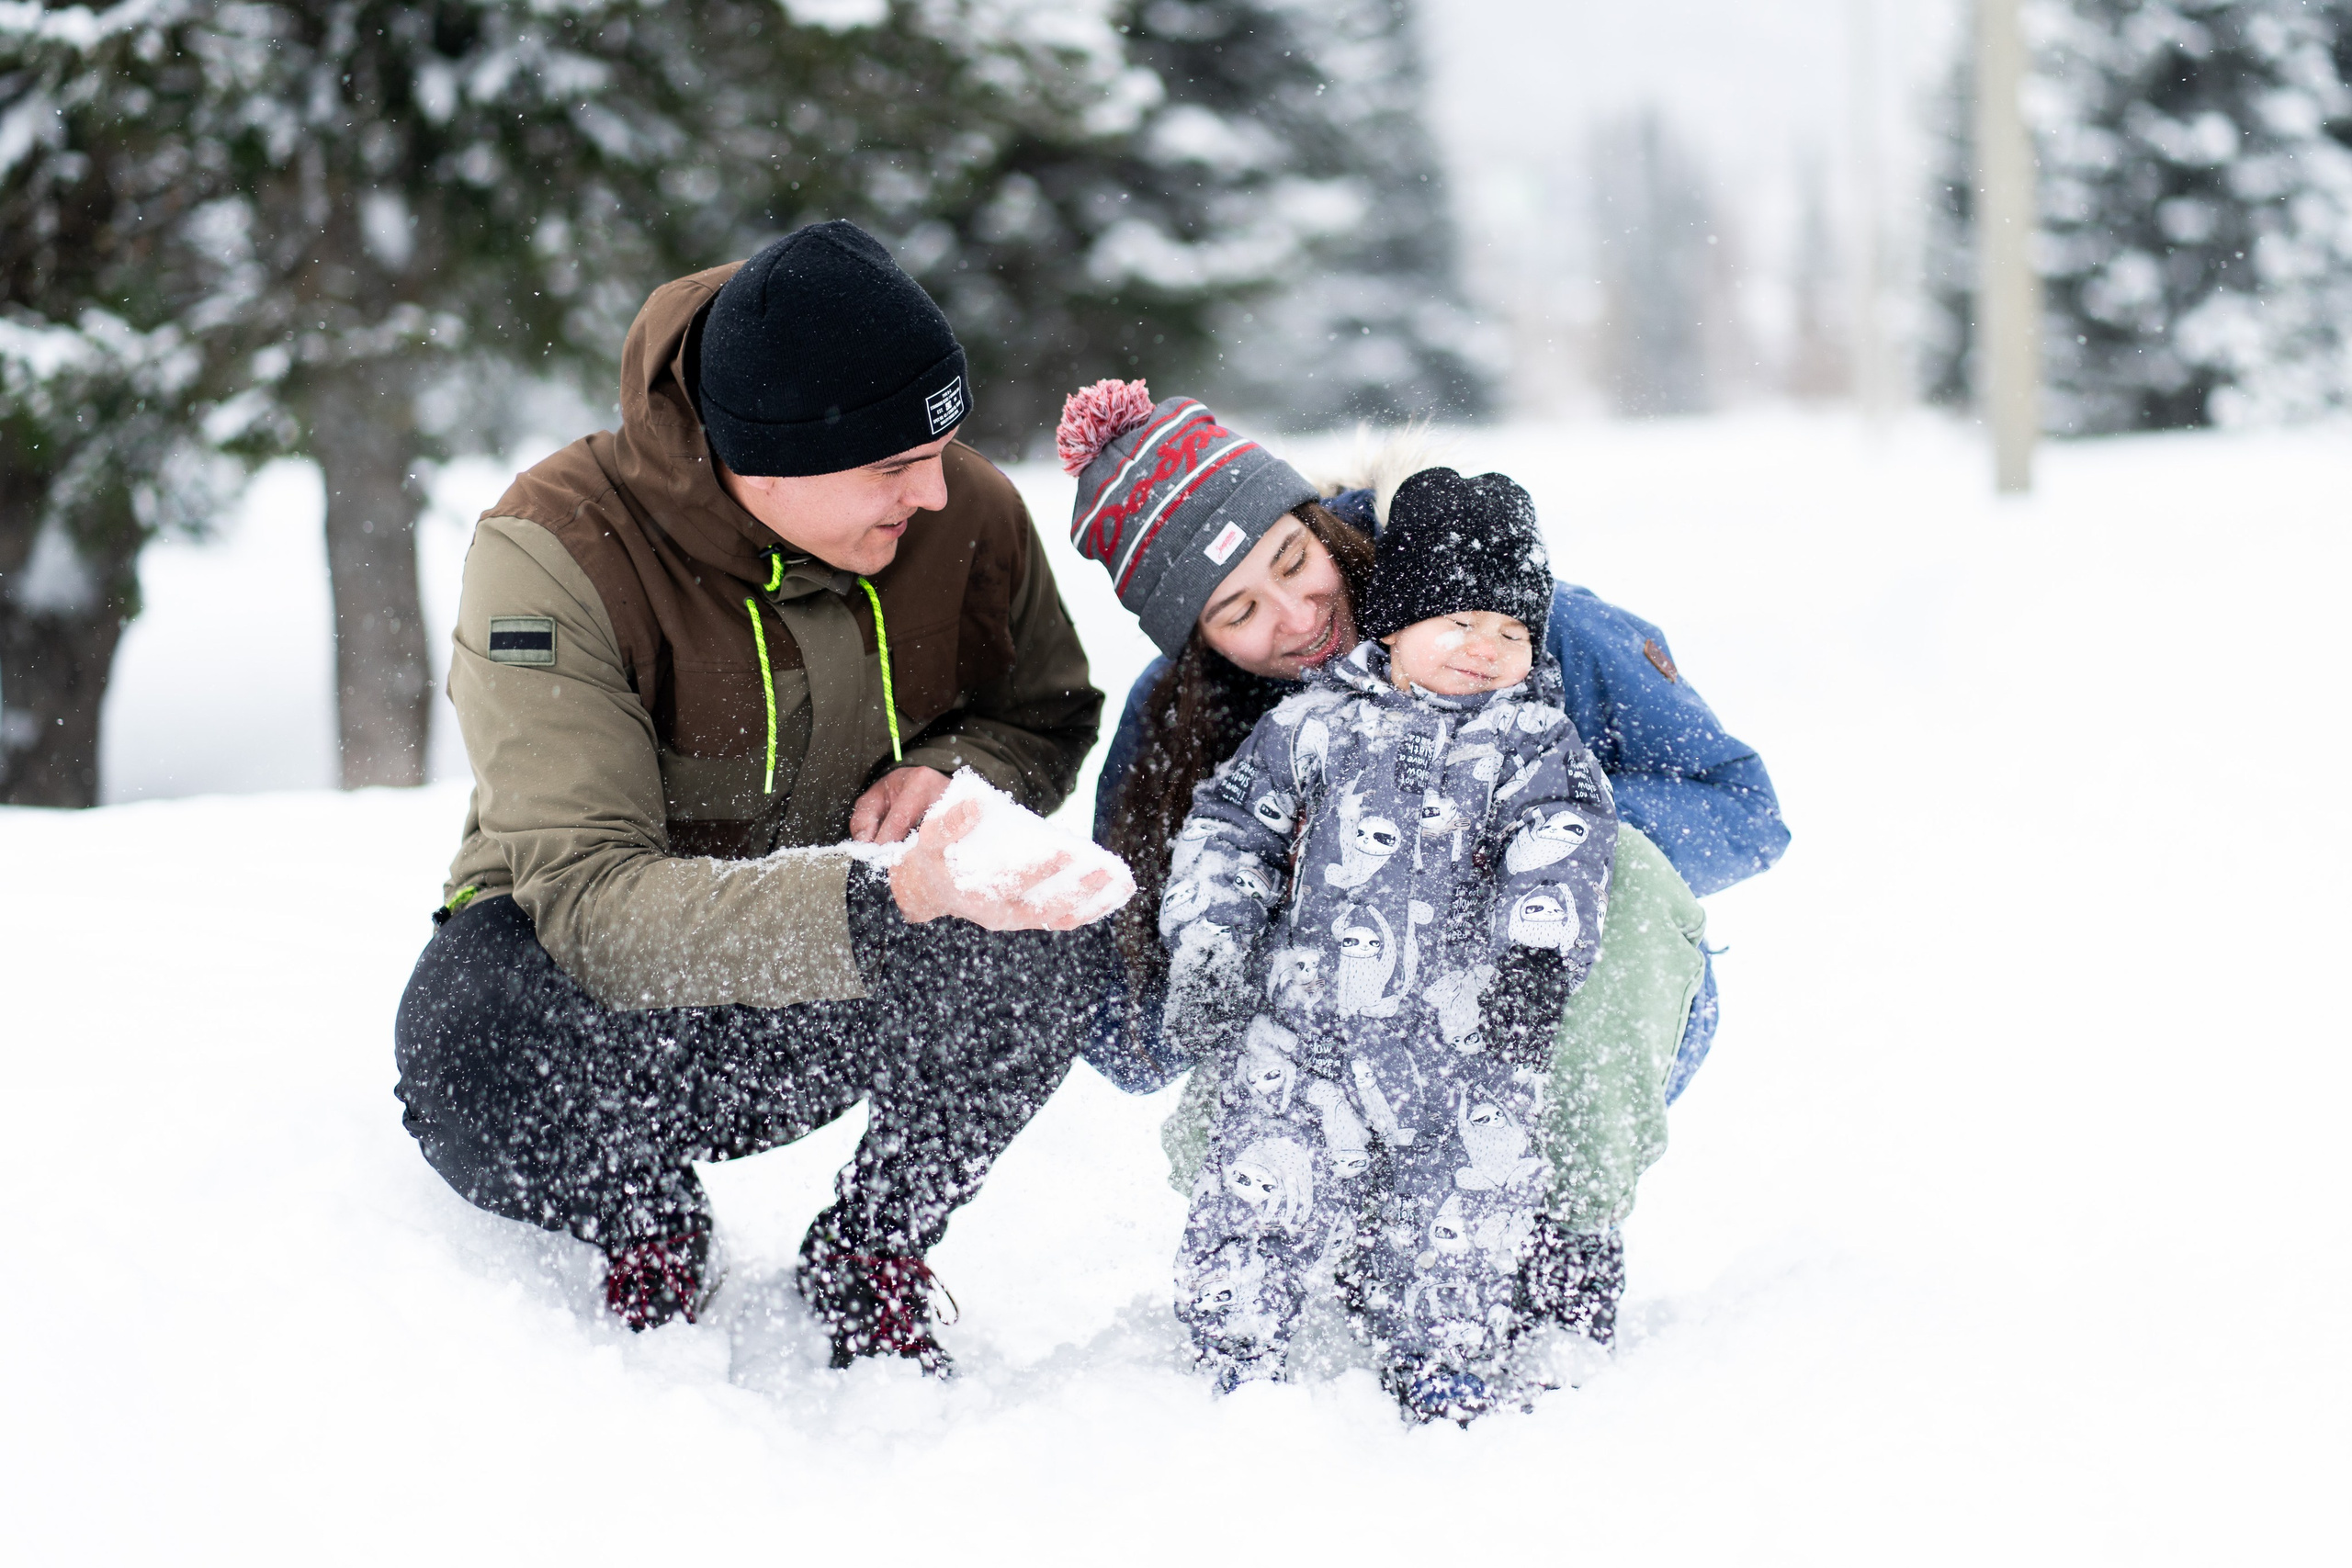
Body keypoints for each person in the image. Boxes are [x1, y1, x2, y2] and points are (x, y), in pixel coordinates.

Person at [392, 221, 1114, 1373]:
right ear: (767, 459)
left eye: (943, 449)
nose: (936, 491)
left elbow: (1044, 711)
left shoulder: (960, 508)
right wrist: (880, 908)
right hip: (603, 1000)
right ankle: (644, 1219)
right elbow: (590, 900)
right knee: (466, 1053)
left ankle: (873, 1250)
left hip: (832, 976)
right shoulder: (556, 549)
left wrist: (956, 769)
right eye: (894, 466)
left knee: (1053, 936)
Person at [1058, 380, 1790, 1358]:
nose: (1296, 615)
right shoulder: (1184, 726)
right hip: (1342, 1038)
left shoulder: (1507, 614)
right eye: (1238, 610)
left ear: (1317, 521)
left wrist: (1511, 837)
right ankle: (1315, 1238)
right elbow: (1133, 1033)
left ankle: (1563, 1233)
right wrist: (1206, 943)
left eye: (1293, 560)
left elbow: (1743, 810)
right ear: (1198, 642)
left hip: (1548, 1016)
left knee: (1620, 862)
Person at [1159, 465, 1621, 1422]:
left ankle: (1445, 1357)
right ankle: (1233, 1345)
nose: (1486, 647)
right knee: (1262, 1180)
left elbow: (1563, 848)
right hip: (1307, 1028)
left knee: (1469, 1204)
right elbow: (1229, 832)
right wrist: (1211, 947)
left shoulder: (1537, 746)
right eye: (1459, 621)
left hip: (1464, 1034)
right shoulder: (1311, 725)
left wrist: (1535, 962)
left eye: (1512, 631)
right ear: (1397, 624)